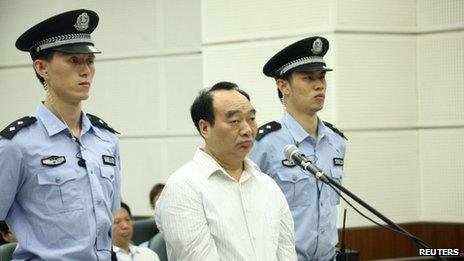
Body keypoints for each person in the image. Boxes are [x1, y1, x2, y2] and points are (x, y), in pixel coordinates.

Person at [0, 9, 121, 260]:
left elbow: (110, 213)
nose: (85, 70)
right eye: (73, 60)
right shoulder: (17, 145)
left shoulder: (106, 140)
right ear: (42, 67)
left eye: (89, 60)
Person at [155, 81, 297, 260]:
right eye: (234, 121)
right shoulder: (183, 186)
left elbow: (287, 253)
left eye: (251, 119)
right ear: (205, 128)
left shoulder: (268, 185)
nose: (247, 130)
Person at [248, 36, 347, 260]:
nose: (319, 84)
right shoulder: (264, 143)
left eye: (322, 77)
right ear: (283, 86)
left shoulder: (336, 142)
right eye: (308, 77)